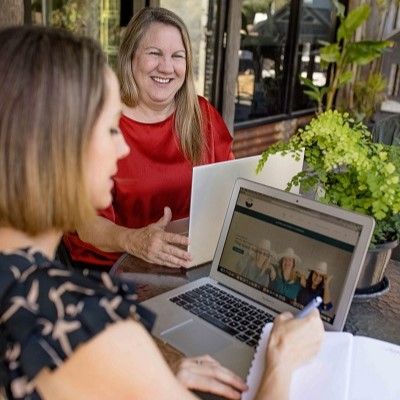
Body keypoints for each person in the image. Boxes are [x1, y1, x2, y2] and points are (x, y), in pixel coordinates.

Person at [0, 26, 324, 400]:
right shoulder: (82, 325)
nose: (122, 149)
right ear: (51, 147)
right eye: (109, 130)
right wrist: (281, 359)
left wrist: (151, 379)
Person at [64, 6, 234, 270]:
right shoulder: (100, 120)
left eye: (177, 56)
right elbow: (85, 222)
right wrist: (134, 240)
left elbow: (230, 187)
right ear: (130, 57)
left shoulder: (202, 115)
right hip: (111, 271)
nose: (167, 67)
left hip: (189, 266)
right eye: (154, 53)